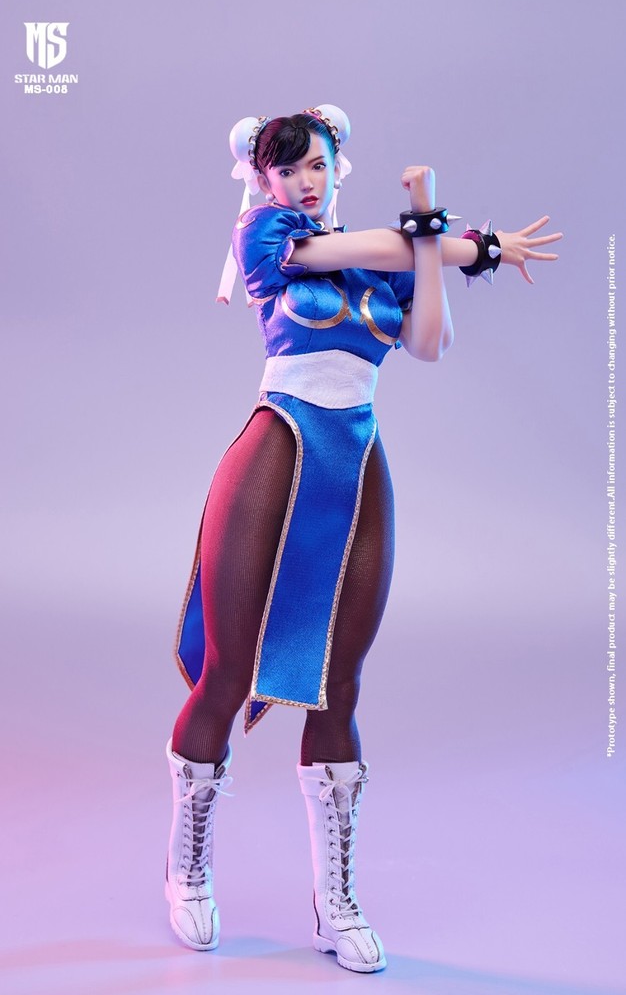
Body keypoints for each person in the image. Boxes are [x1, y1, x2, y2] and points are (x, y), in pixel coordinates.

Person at [164, 105, 562, 973]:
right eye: (288, 169)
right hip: (278, 447)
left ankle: (335, 901)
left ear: (339, 163)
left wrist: (436, 239)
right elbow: (364, 250)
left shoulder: (391, 256)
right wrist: (455, 239)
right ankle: (187, 867)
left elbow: (430, 343)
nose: (306, 181)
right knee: (229, 669)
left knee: (340, 686)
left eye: (318, 164)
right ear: (264, 178)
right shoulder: (267, 235)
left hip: (356, 460)